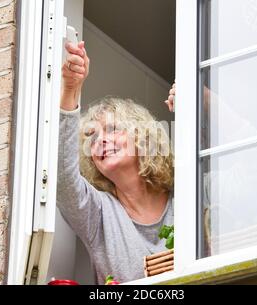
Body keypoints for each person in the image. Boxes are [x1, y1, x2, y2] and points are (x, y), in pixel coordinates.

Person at [57, 41, 175, 284]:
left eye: (112, 129)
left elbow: (246, 173)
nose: (100, 140)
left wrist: (202, 101)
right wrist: (71, 88)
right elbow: (62, 178)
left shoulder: (185, 197)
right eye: (92, 136)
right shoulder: (97, 212)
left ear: (142, 137)